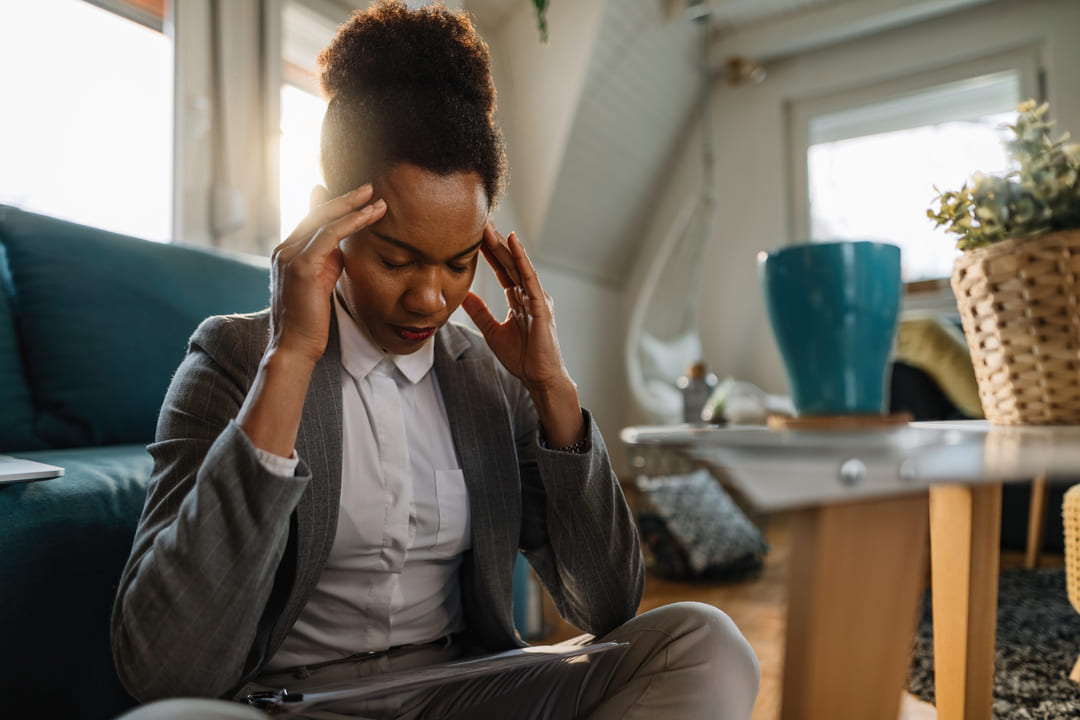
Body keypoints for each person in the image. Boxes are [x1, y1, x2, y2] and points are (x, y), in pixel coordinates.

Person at [110, 2, 759, 718]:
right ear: (331, 221)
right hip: (290, 705)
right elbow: (163, 668)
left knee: (707, 643)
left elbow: (603, 602)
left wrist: (550, 386)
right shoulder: (233, 358)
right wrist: (291, 356)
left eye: (457, 264)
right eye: (397, 258)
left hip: (466, 697)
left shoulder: (489, 380)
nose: (429, 298)